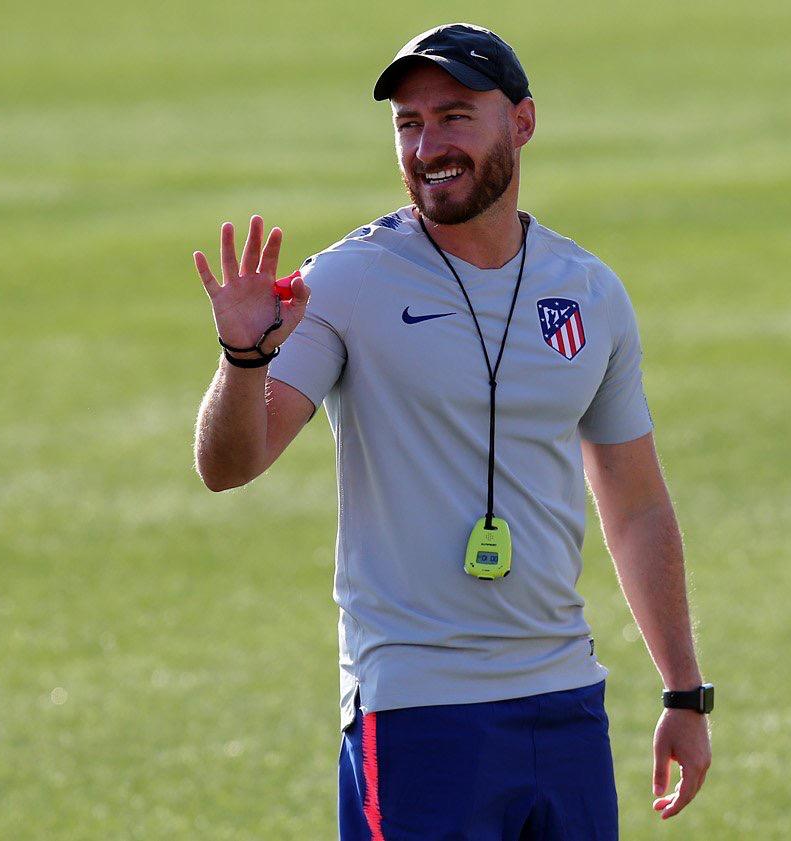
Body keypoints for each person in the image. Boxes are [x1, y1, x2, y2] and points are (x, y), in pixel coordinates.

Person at [193, 22, 711, 840]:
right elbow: (231, 464)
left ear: (523, 123)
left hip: (564, 701)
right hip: (415, 709)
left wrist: (682, 688)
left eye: (454, 116)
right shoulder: (344, 283)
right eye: (408, 123)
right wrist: (242, 357)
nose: (428, 143)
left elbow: (636, 502)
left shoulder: (588, 292)